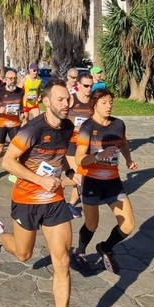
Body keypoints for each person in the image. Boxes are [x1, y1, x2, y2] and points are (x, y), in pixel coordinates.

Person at [0, 79, 76, 307]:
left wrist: (71, 175)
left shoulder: (68, 128)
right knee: (24, 254)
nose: (66, 103)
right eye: (60, 99)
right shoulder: (33, 130)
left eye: (68, 98)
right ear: (46, 101)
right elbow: (8, 162)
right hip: (26, 200)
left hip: (55, 202)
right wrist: (40, 180)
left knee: (63, 262)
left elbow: (60, 158)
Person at [72, 88, 138, 275]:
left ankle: (106, 247)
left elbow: (123, 143)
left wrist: (128, 160)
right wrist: (99, 155)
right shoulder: (87, 127)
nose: (109, 106)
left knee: (128, 225)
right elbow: (79, 159)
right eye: (104, 102)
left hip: (113, 182)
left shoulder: (118, 124)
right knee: (92, 224)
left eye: (111, 102)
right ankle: (80, 251)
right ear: (94, 104)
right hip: (91, 182)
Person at [65, 72, 95, 219]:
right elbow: (59, 114)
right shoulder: (71, 99)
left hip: (86, 145)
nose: (88, 89)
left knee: (82, 175)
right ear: (78, 85)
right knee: (78, 175)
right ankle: (50, 189)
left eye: (91, 86)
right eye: (86, 86)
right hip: (71, 143)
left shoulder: (93, 102)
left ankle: (70, 204)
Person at [0, 68, 24, 181]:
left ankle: (12, 172)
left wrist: (21, 114)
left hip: (15, 124)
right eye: (10, 78)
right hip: (2, 124)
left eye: (15, 78)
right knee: (0, 148)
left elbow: (20, 106)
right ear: (5, 79)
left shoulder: (20, 91)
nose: (13, 81)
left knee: (15, 148)